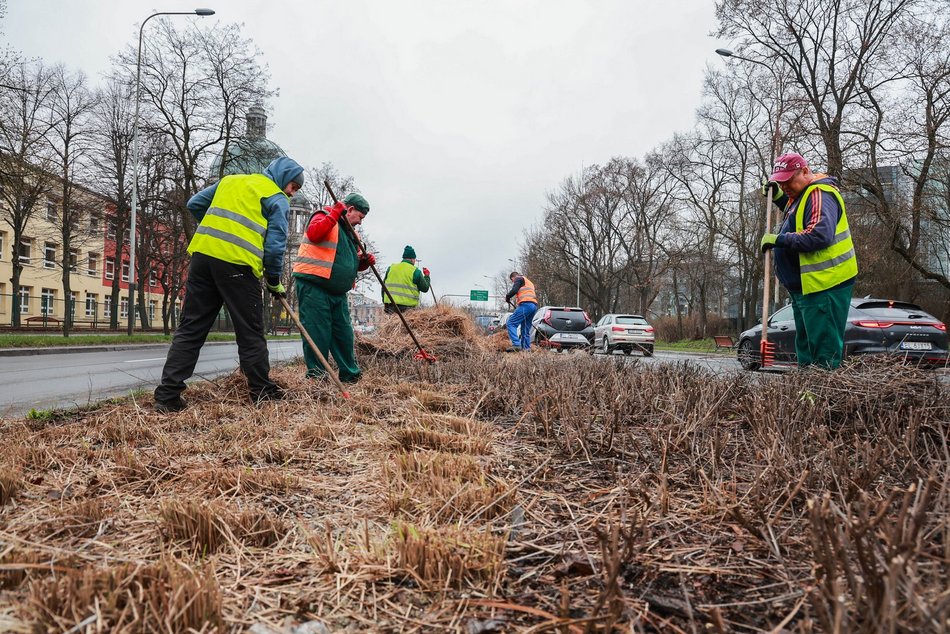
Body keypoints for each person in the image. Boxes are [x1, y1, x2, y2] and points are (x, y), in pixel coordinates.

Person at [153, 156, 304, 412]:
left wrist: (216, 228)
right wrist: (274, 280)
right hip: (238, 265)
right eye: (292, 185)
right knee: (251, 331)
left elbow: (194, 204)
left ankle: (167, 396)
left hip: (203, 257)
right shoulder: (276, 198)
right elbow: (275, 245)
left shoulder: (230, 181)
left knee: (191, 328)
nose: (291, 192)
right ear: (282, 177)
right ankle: (261, 391)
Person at [760, 152, 858, 369]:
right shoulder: (802, 196)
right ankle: (806, 397)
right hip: (806, 288)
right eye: (780, 182)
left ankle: (824, 398)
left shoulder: (820, 194)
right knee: (806, 350)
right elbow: (797, 215)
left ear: (804, 171)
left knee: (823, 353)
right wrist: (778, 197)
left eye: (788, 181)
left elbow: (819, 235)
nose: (784, 185)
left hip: (825, 285)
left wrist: (779, 240)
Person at [293, 192, 374, 384]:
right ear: (350, 209)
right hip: (315, 285)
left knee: (344, 334)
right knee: (317, 331)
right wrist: (334, 214)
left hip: (337, 291)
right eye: (360, 217)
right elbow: (314, 234)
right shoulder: (324, 215)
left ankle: (350, 374)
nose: (360, 223)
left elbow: (348, 263)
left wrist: (363, 262)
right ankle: (317, 377)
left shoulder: (350, 233)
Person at [381, 245, 430, 313]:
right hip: (407, 310)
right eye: (415, 259)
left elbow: (383, 287)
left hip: (390, 308)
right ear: (412, 259)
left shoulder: (391, 268)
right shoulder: (415, 271)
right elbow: (425, 288)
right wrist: (427, 276)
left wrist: (384, 302)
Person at [504, 271, 538, 351]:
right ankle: (526, 349)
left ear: (513, 277)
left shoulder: (518, 278)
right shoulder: (529, 282)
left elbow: (515, 290)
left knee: (511, 323)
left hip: (526, 304)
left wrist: (507, 297)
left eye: (512, 281)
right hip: (533, 306)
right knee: (525, 329)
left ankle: (516, 344)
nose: (513, 282)